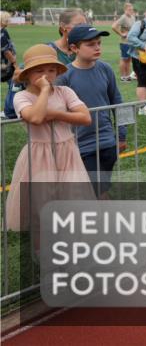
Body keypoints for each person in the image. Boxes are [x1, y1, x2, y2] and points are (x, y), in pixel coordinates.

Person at [5, 45, 94, 238]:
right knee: (42, 206)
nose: (47, 75)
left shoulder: (64, 92)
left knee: (71, 200)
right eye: (39, 70)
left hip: (67, 152)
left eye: (51, 70)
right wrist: (45, 90)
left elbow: (86, 117)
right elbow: (35, 117)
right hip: (39, 155)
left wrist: (55, 114)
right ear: (28, 74)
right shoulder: (21, 96)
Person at [58, 25, 124, 197]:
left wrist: (121, 135)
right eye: (90, 44)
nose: (97, 47)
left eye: (99, 43)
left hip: (108, 143)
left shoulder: (105, 69)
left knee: (99, 191)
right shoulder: (65, 76)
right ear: (74, 48)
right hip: (82, 146)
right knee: (96, 192)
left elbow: (117, 101)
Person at [112, 3, 137, 82]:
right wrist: (121, 34)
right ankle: (123, 77)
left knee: (129, 60)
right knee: (124, 59)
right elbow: (113, 26)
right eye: (129, 9)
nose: (131, 11)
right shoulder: (123, 17)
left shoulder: (132, 17)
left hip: (132, 42)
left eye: (132, 9)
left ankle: (127, 75)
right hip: (125, 43)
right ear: (125, 10)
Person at [1, 11, 17, 86]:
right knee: (14, 85)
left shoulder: (3, 31)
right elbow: (6, 51)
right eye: (8, 19)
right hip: (5, 64)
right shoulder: (2, 33)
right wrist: (14, 64)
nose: (9, 21)